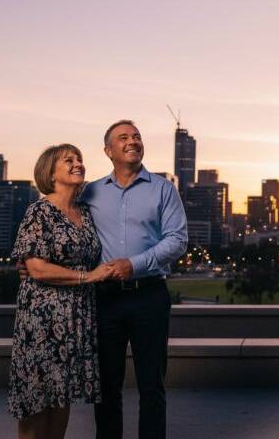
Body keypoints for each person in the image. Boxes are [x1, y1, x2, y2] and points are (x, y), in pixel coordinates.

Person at [82, 120, 188, 439]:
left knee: (151, 386)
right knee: (106, 387)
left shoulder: (163, 188)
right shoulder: (90, 192)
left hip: (149, 296)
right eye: (123, 137)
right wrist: (33, 262)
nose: (133, 141)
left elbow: (177, 240)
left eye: (137, 136)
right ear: (108, 150)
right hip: (105, 299)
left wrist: (134, 265)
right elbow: (69, 233)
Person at [8, 144, 114, 438]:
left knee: (61, 396)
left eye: (79, 159)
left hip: (77, 319)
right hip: (43, 320)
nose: (78, 163)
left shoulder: (85, 213)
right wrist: (87, 276)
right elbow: (37, 268)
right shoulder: (39, 211)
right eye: (69, 160)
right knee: (37, 399)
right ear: (50, 172)